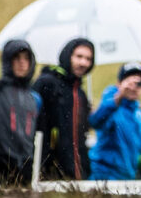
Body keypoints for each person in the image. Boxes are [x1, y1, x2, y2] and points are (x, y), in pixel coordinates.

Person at [33, 37, 95, 180]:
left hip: (76, 171)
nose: (83, 63)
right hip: (49, 169)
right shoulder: (47, 83)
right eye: (79, 56)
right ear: (68, 56)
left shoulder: (80, 93)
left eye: (88, 59)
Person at [0, 39, 41, 185]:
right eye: (16, 58)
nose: (22, 63)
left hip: (26, 164)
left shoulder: (35, 98)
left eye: (26, 58)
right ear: (8, 60)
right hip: (0, 162)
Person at [89, 62, 141, 181]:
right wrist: (119, 96)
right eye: (129, 81)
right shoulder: (111, 106)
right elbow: (95, 122)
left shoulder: (139, 115)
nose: (134, 87)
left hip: (128, 177)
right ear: (119, 83)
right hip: (104, 175)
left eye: (139, 83)